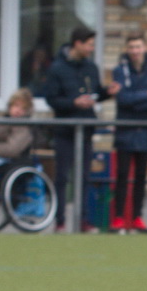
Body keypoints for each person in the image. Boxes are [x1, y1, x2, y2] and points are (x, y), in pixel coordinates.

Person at [43, 26, 121, 232]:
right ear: (77, 43)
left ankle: (84, 220)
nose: (91, 49)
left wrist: (107, 93)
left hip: (86, 129)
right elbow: (51, 99)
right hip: (65, 131)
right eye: (89, 45)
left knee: (85, 177)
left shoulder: (91, 67)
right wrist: (73, 103)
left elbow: (96, 93)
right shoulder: (57, 68)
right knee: (62, 177)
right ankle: (60, 221)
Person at [111, 33, 147, 234]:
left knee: (141, 176)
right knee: (122, 175)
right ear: (127, 49)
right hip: (126, 131)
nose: (135, 51)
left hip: (146, 131)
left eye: (138, 47)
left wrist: (135, 101)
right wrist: (145, 95)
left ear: (145, 48)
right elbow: (122, 99)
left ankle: (137, 218)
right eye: (131, 47)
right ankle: (118, 218)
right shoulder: (119, 71)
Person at [0, 89, 35, 173]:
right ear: (10, 105)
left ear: (27, 111)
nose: (18, 110)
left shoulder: (24, 127)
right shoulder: (4, 121)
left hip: (14, 165)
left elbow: (12, 150)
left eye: (23, 108)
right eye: (16, 105)